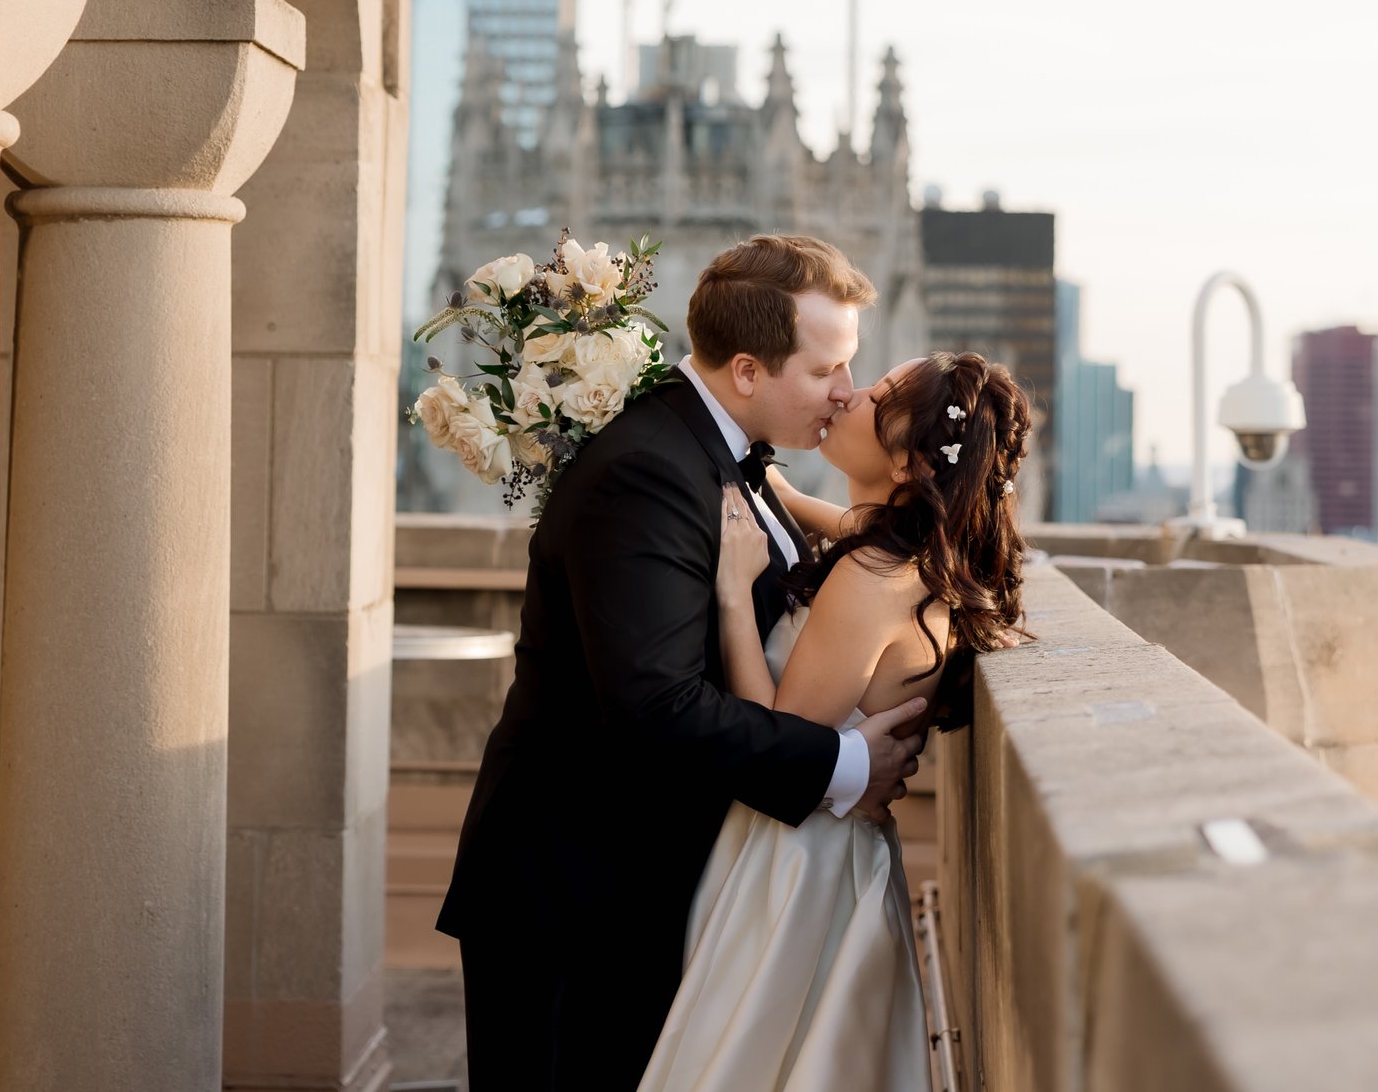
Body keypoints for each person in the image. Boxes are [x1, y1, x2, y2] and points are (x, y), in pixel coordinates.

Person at [437, 235, 931, 1091]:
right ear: (747, 370)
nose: (848, 391)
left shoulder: (723, 453)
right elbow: (653, 704)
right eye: (828, 371)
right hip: (577, 896)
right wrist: (845, 762)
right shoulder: (650, 472)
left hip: (638, 887)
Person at [638, 350, 1033, 1092]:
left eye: (874, 397)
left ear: (912, 463)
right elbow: (844, 519)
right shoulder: (907, 554)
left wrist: (731, 597)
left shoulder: (873, 576)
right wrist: (773, 487)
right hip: (838, 848)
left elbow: (775, 732)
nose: (847, 394)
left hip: (792, 863)